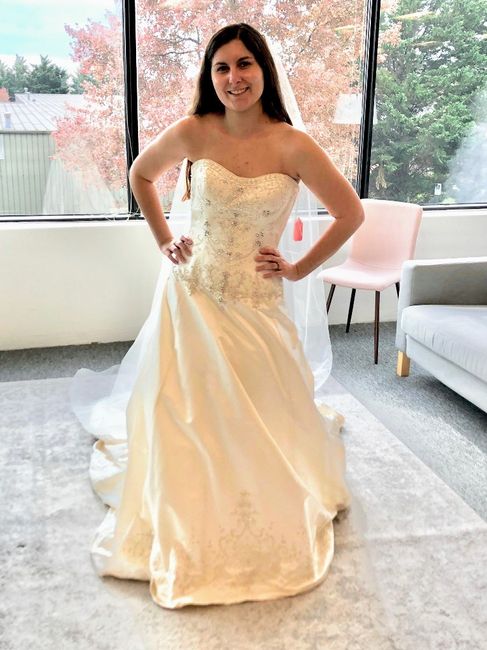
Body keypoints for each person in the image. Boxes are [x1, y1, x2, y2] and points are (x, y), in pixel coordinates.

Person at [70, 22, 364, 610]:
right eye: (222, 67)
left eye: (244, 64)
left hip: (256, 303)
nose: (234, 78)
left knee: (264, 414)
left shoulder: (294, 145)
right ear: (211, 76)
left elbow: (350, 214)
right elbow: (140, 174)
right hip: (193, 296)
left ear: (264, 70)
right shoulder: (194, 130)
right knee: (185, 413)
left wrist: (299, 269)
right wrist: (164, 238)